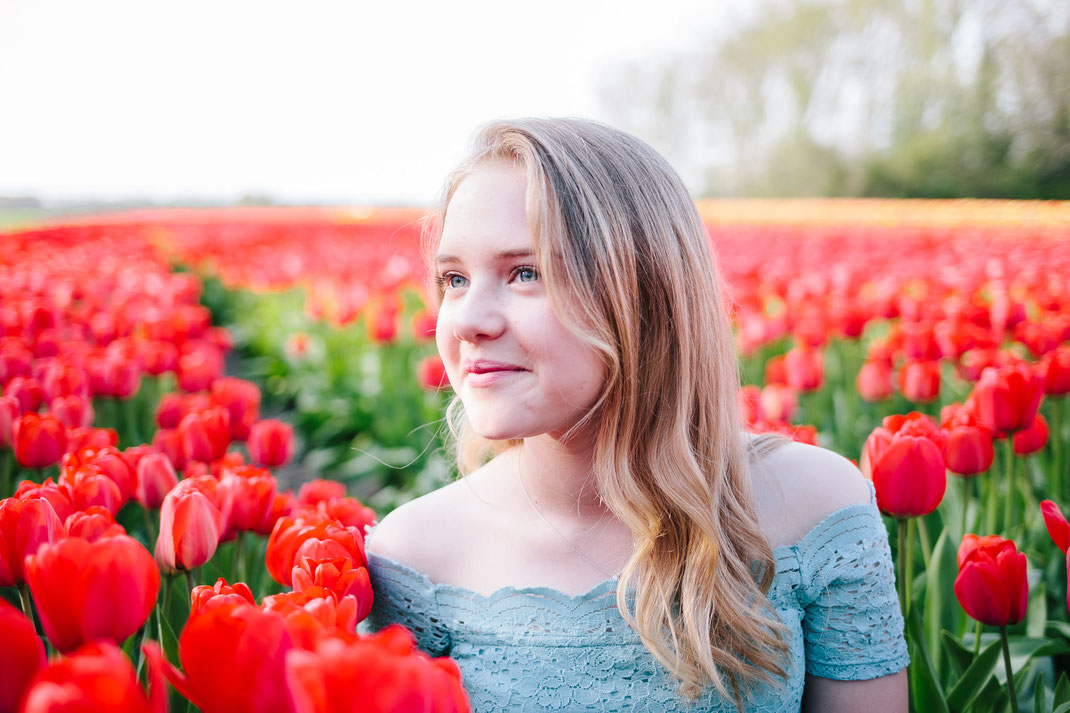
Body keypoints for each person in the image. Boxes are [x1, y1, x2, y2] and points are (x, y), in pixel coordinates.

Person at [360, 118, 909, 712]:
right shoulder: (415, 556)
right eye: (454, 279)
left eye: (525, 273)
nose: (467, 320)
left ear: (644, 292)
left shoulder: (814, 506)